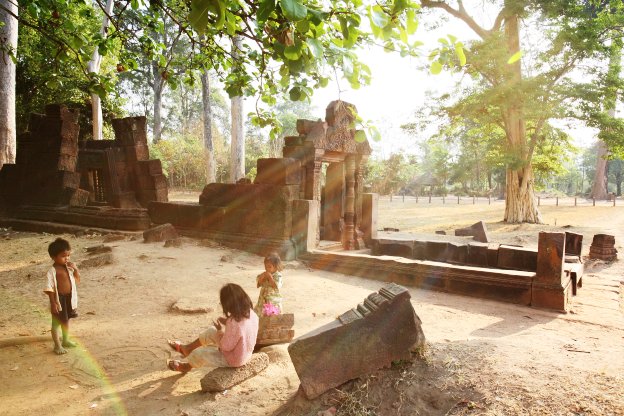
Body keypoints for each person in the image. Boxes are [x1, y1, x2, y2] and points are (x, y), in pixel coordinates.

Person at [167, 283, 259, 372]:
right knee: (211, 331)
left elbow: (225, 346)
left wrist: (220, 330)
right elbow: (242, 330)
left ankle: (186, 367)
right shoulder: (251, 313)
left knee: (201, 353)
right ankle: (187, 349)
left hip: (234, 359)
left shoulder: (234, 323)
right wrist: (227, 322)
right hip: (245, 353)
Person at [43, 237, 81, 355]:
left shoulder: (68, 268)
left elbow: (77, 279)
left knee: (66, 320)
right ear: (53, 257)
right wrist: (53, 303)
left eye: (68, 255)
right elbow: (49, 288)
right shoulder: (52, 271)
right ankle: (57, 345)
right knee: (56, 323)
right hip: (59, 300)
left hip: (69, 298)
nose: (67, 258)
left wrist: (75, 269)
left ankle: (65, 340)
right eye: (63, 256)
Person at [254, 252, 284, 316]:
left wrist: (270, 278)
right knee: (261, 316)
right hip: (262, 301)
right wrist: (261, 278)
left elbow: (276, 286)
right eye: (265, 266)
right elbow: (258, 284)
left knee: (272, 317)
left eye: (269, 267)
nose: (267, 269)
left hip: (273, 302)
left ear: (276, 267)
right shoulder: (264, 274)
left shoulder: (278, 276)